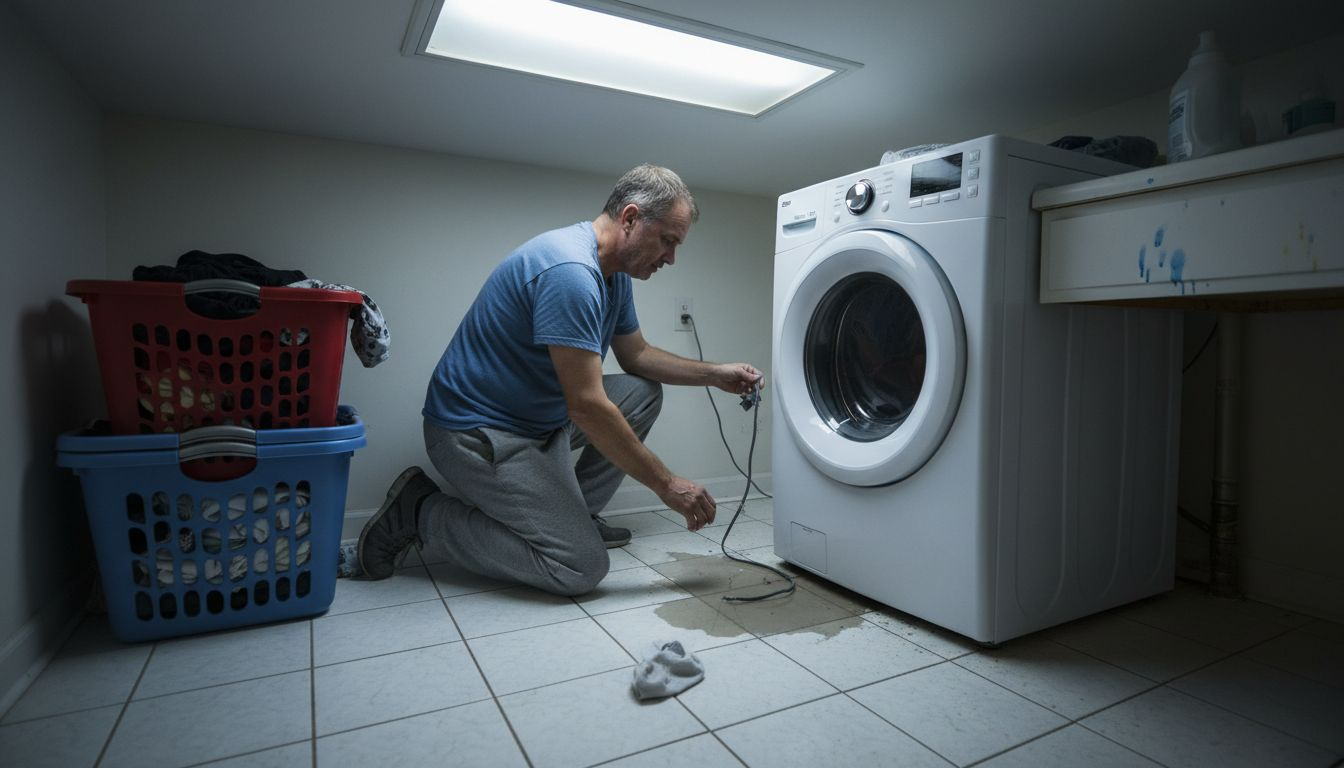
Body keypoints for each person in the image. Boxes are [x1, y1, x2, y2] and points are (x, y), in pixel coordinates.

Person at [357, 164, 764, 596]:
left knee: (640, 393)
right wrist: (668, 486)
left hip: (537, 419)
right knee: (579, 567)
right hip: (477, 432)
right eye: (667, 241)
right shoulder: (570, 271)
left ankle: (573, 518)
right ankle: (420, 512)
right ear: (629, 218)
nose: (671, 258)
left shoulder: (613, 275)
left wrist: (714, 374)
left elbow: (637, 356)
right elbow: (586, 406)